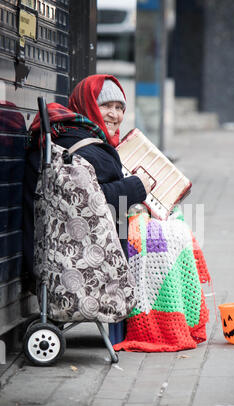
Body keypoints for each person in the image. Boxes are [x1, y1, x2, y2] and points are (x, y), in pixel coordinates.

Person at [23, 73, 211, 351]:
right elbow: (95, 200)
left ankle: (168, 318)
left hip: (89, 238)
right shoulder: (82, 145)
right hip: (84, 248)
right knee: (165, 235)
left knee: (176, 225)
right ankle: (151, 321)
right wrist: (138, 186)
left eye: (120, 107)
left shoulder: (81, 137)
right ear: (87, 105)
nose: (115, 114)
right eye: (106, 106)